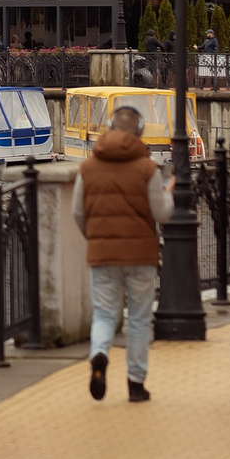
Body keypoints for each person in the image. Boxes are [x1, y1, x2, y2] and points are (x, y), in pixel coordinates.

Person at [68, 103, 173, 403]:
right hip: (140, 256)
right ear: (139, 131)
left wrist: (96, 238)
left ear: (110, 129)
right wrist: (169, 194)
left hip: (103, 254)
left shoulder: (87, 168)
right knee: (139, 320)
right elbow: (161, 213)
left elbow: (78, 212)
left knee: (103, 314)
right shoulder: (146, 168)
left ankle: (99, 354)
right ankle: (136, 384)